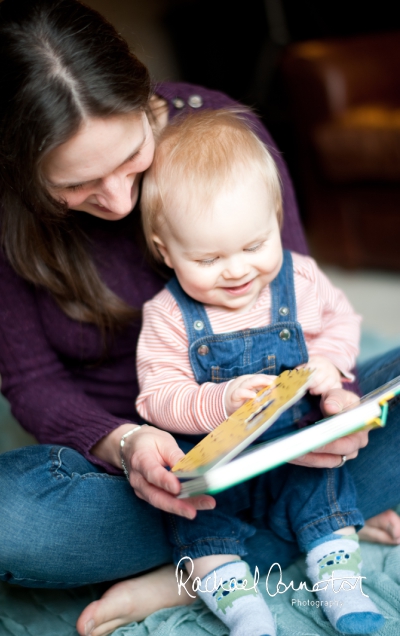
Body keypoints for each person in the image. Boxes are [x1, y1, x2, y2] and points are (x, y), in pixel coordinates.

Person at [0, 2, 400, 636]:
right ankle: (313, 523)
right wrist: (127, 445)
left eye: (131, 159)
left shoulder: (227, 136)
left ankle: (203, 567)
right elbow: (35, 383)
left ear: (144, 99)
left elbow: (296, 303)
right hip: (146, 471)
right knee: (4, 521)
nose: (119, 201)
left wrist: (328, 409)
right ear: (15, 164)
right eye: (75, 186)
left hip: (278, 436)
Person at [136, 108, 382, 636]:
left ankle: (344, 590)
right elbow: (157, 398)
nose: (238, 269)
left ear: (275, 216)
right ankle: (247, 614)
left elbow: (342, 323)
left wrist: (329, 369)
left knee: (327, 502)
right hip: (219, 469)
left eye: (254, 245)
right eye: (208, 258)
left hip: (299, 449)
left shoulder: (301, 278)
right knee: (202, 529)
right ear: (166, 251)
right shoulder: (166, 315)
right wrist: (219, 400)